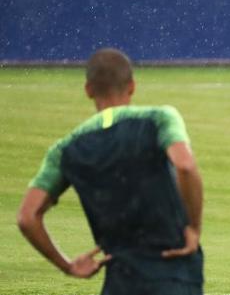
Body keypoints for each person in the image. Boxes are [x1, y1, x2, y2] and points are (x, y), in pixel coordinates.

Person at [17, 48, 204, 295]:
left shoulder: (66, 149)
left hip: (120, 281)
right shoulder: (159, 119)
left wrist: (67, 266)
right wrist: (193, 228)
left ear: (88, 90)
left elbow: (27, 218)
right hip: (174, 275)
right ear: (132, 86)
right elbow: (185, 166)